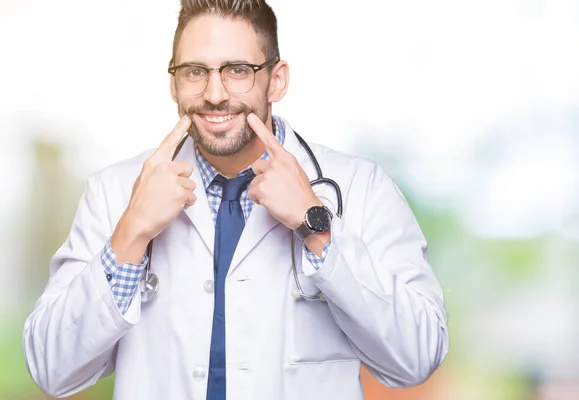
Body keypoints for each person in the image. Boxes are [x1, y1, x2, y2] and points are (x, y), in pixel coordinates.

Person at [22, 1, 449, 399]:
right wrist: (130, 235)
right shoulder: (114, 192)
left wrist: (316, 227)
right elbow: (51, 369)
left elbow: (416, 358)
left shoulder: (360, 187)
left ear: (276, 79)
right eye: (194, 71)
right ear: (173, 83)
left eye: (237, 70)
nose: (213, 93)